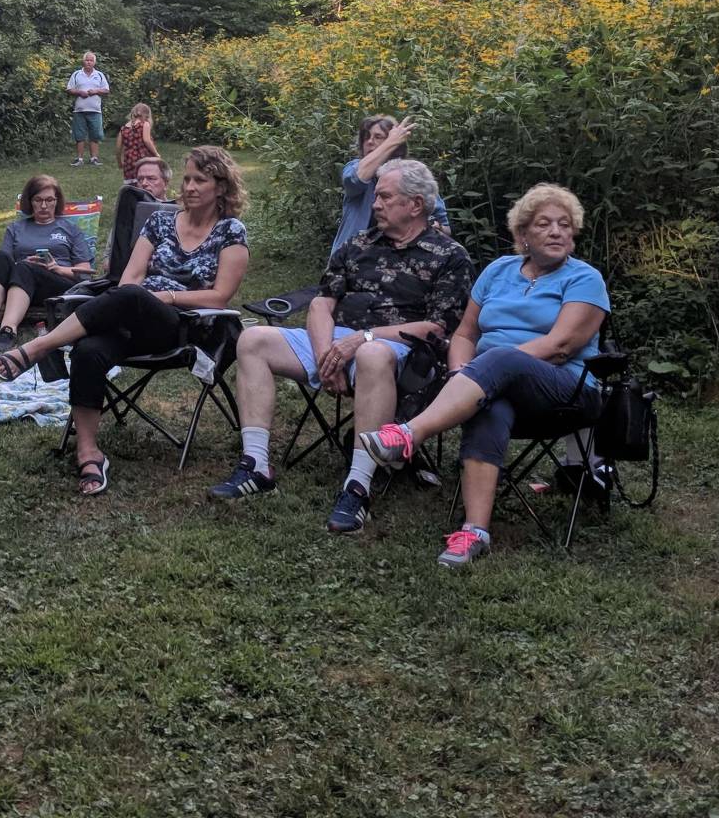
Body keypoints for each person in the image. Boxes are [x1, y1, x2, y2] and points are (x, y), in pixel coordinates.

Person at [208, 159, 472, 534]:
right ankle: (256, 465)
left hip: (403, 349)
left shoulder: (449, 255)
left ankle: (358, 487)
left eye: (385, 197)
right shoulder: (358, 244)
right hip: (337, 342)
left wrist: (362, 339)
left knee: (371, 353)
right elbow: (321, 303)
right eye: (376, 196)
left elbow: (437, 327)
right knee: (253, 339)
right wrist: (324, 357)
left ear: (415, 204)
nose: (375, 203)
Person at [359, 183, 611, 569]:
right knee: (488, 405)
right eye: (544, 224)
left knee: (500, 359)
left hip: (567, 392)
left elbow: (560, 345)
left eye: (564, 225)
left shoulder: (584, 278)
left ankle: (408, 434)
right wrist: (463, 373)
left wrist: (483, 369)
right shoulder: (498, 271)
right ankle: (475, 531)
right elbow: (465, 334)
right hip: (493, 385)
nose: (556, 232)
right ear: (523, 234)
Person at [0, 146, 250, 496]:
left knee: (131, 296)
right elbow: (130, 278)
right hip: (130, 317)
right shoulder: (160, 222)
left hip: (182, 327)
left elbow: (219, 296)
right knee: (89, 349)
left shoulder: (230, 231)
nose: (190, 186)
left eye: (200, 180)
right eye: (187, 178)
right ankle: (88, 453)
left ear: (220, 187)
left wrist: (166, 297)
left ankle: (39, 347)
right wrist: (142, 297)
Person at [0, 174, 93, 347]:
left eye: (49, 200)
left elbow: (85, 272)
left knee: (24, 268)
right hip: (20, 285)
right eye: (38, 200)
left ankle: (8, 330)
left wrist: (57, 268)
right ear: (30, 201)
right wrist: (22, 264)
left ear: (57, 201)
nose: (44, 205)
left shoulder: (71, 230)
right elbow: (4, 265)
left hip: (57, 285)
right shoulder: (15, 229)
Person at [332, 115, 431, 259]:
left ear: (397, 145)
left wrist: (436, 226)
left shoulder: (412, 175)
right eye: (366, 137)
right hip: (350, 259)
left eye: (378, 137)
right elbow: (357, 179)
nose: (369, 141)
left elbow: (443, 225)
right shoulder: (354, 168)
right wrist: (390, 142)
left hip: (398, 261)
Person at [66, 51, 110, 167]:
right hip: (79, 110)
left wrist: (96, 91)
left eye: (91, 60)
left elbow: (106, 90)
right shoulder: (76, 74)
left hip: (95, 110)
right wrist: (79, 92)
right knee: (79, 135)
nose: (89, 62)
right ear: (83, 61)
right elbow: (69, 89)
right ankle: (79, 159)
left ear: (94, 62)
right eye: (87, 60)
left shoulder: (99, 75)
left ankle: (94, 159)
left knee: (95, 135)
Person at [116, 102, 159, 182]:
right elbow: (147, 140)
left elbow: (118, 148)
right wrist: (156, 153)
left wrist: (119, 162)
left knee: (130, 182)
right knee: (144, 181)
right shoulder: (145, 124)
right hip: (143, 159)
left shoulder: (123, 128)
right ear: (146, 115)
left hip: (129, 161)